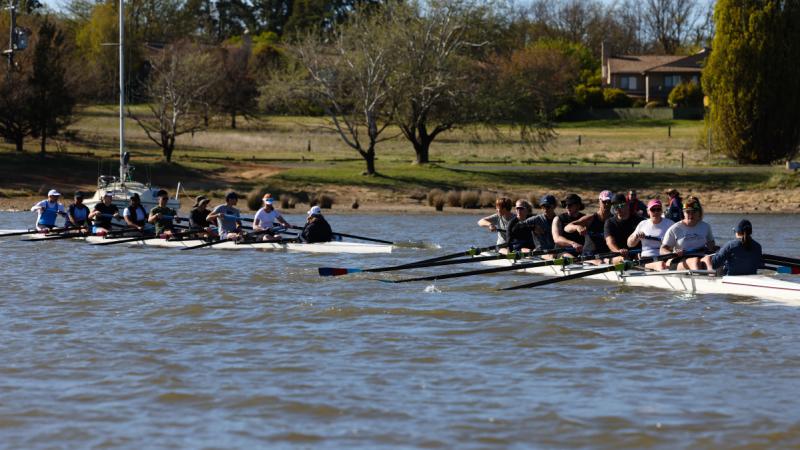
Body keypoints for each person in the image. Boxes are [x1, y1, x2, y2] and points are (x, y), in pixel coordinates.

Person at [660, 196, 715, 270]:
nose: (691, 215)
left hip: (700, 256)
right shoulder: (675, 228)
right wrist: (673, 253)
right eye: (688, 212)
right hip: (679, 259)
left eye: (694, 212)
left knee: (708, 259)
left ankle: (712, 278)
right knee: (695, 261)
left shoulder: (705, 226)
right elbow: (662, 250)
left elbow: (711, 243)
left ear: (699, 213)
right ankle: (700, 278)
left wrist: (711, 247)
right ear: (683, 213)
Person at [564, 190, 613, 259]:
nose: (607, 204)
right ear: (599, 202)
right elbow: (567, 227)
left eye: (609, 202)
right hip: (589, 256)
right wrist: (577, 227)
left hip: (606, 256)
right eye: (604, 202)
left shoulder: (613, 219)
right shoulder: (590, 218)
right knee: (601, 262)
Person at [627, 199, 674, 269]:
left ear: (661, 211)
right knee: (661, 265)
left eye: (658, 209)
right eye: (653, 210)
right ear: (648, 212)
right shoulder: (643, 224)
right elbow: (630, 244)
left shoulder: (670, 224)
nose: (656, 212)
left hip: (666, 256)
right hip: (647, 258)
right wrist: (636, 237)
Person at [604, 193, 644, 263]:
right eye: (615, 206)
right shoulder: (610, 222)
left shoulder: (639, 220)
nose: (618, 208)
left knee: (642, 257)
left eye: (620, 205)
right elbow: (609, 242)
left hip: (637, 253)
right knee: (623, 259)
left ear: (627, 205)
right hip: (617, 254)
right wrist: (618, 251)